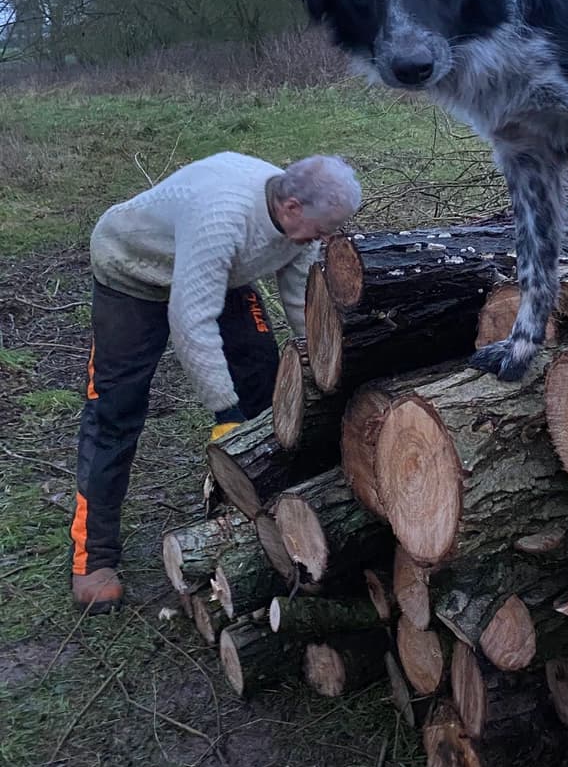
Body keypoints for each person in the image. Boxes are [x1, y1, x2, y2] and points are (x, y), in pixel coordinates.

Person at [69, 151, 361, 614]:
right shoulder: (221, 218)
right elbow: (190, 321)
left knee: (263, 378)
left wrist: (321, 362)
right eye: (323, 230)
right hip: (133, 272)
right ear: (291, 208)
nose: (325, 239)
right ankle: (93, 558)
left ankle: (272, 513)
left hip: (217, 272)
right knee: (115, 410)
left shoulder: (301, 214)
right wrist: (225, 411)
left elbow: (300, 298)